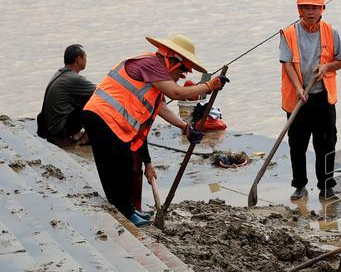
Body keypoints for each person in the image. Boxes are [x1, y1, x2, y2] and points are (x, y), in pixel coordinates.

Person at [81, 35, 227, 226]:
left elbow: (162, 108)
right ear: (173, 61)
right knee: (115, 168)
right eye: (182, 71)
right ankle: (124, 212)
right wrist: (208, 86)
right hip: (102, 117)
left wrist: (185, 127)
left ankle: (128, 209)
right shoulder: (151, 64)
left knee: (124, 165)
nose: (181, 76)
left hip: (114, 123)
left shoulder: (155, 79)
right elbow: (176, 92)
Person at [279, 0, 341, 201]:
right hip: (298, 97)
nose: (310, 12)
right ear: (299, 10)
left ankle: (326, 186)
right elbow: (288, 63)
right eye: (306, 8)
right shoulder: (288, 33)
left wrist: (326, 67)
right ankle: (299, 186)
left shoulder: (331, 31)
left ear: (322, 9)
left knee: (326, 143)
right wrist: (299, 88)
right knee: (297, 145)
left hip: (322, 97)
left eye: (315, 8)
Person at [38, 44, 96, 144]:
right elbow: (100, 91)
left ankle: (76, 133)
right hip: (59, 130)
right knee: (96, 100)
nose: (86, 60)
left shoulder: (60, 73)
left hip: (50, 127)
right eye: (85, 58)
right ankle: (86, 137)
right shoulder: (73, 78)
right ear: (78, 59)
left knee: (85, 96)